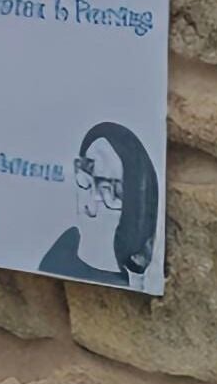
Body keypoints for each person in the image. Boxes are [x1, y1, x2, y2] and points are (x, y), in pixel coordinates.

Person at [39, 121, 159, 288]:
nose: (90, 207)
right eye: (85, 182)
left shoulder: (134, 279)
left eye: (108, 191)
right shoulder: (60, 251)